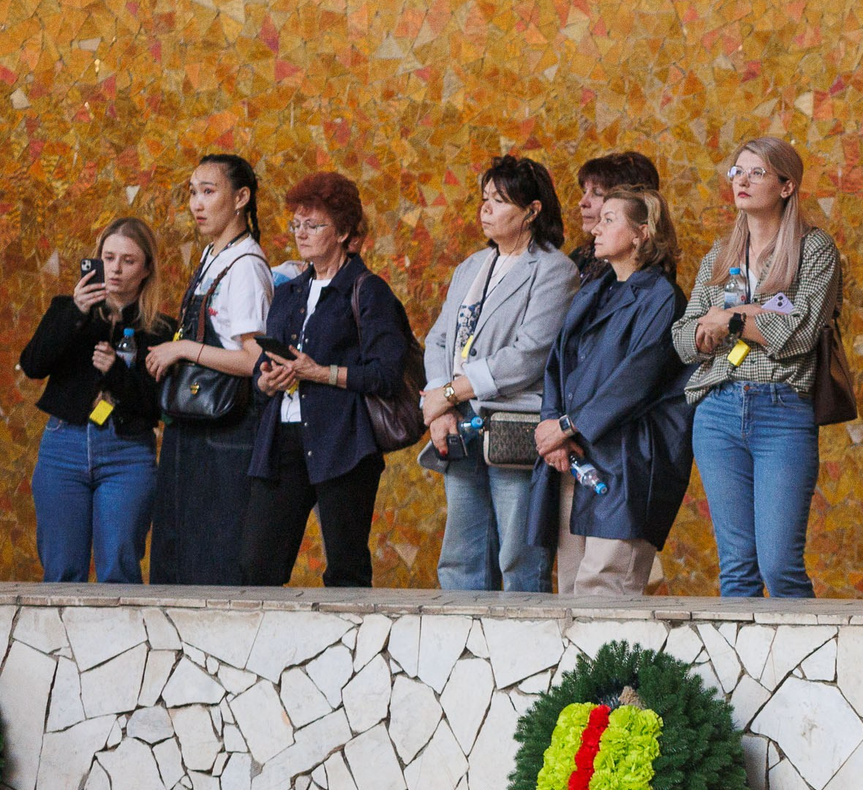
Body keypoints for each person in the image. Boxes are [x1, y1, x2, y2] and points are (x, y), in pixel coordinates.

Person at [672, 138, 844, 598]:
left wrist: (726, 320)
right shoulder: (719, 255)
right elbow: (683, 339)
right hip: (717, 412)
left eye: (757, 173)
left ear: (787, 186)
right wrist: (711, 330)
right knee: (737, 571)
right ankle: (741, 673)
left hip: (782, 411)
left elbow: (799, 334)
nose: (742, 181)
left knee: (779, 566)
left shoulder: (814, 250)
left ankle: (804, 670)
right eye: (736, 172)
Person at [241, 174, 414, 588]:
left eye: (313, 225)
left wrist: (319, 373)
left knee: (345, 566)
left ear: (344, 233)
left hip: (344, 440)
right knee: (255, 564)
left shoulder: (368, 291)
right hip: (282, 436)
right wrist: (266, 381)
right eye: (296, 225)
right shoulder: (288, 292)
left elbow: (386, 374)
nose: (301, 234)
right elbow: (263, 368)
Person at [419, 156, 578, 592]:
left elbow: (528, 354)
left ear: (532, 210)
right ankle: (457, 652)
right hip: (458, 424)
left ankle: (525, 655)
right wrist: (439, 407)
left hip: (512, 427)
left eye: (500, 200)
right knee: (459, 557)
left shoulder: (554, 269)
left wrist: (449, 393)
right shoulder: (470, 266)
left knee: (519, 558)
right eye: (484, 199)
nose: (486, 209)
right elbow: (437, 341)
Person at [531, 187, 694, 596]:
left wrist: (567, 426)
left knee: (604, 588)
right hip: (575, 456)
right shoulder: (593, 291)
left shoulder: (663, 298)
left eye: (609, 219)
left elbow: (635, 381)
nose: (596, 229)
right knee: (570, 588)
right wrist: (552, 426)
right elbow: (557, 363)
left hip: (627, 461)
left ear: (641, 233)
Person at [20, 219, 173, 582]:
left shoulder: (160, 329)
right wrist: (76, 312)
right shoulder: (67, 310)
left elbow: (158, 407)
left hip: (127, 451)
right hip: (64, 443)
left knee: (119, 565)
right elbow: (32, 365)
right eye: (109, 257)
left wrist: (116, 373)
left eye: (129, 260)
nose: (116, 269)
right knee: (61, 570)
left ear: (147, 268)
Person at [145, 155, 273, 585]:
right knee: (176, 549)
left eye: (209, 191)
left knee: (215, 554)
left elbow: (254, 359)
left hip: (228, 433)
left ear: (241, 198)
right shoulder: (209, 255)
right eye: (192, 192)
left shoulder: (247, 266)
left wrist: (183, 348)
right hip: (194, 429)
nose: (197, 204)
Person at [572, 151, 662, 282]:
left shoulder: (650, 281)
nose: (582, 202)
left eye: (597, 193)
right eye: (585, 192)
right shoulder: (581, 255)